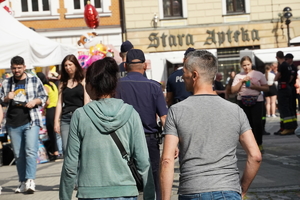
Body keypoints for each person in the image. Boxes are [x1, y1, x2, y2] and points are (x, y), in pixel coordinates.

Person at [160, 50, 262, 200]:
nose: (182, 76)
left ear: (194, 75)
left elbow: (167, 161)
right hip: (228, 189)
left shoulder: (177, 111)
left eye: (185, 73)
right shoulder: (235, 110)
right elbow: (255, 156)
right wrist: (242, 190)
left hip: (192, 190)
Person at [59, 57, 155, 200]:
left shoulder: (80, 115)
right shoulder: (131, 113)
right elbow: (144, 162)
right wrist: (149, 196)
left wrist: (65, 197)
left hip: (90, 193)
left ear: (90, 85)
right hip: (125, 191)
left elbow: (70, 165)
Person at [116, 49, 168, 200]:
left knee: (125, 178)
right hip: (149, 139)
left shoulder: (117, 86)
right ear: (145, 66)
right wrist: (172, 144)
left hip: (123, 140)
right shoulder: (154, 86)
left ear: (125, 66)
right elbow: (164, 117)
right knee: (153, 178)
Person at [0, 56, 48, 194]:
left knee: (30, 151)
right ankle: (22, 181)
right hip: (12, 122)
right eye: (14, 68)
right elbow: (1, 101)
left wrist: (35, 101)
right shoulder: (7, 81)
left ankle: (30, 180)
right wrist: (6, 98)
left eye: (19, 68)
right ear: (11, 67)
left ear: (24, 67)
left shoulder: (33, 79)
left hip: (30, 120)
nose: (16, 70)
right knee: (18, 154)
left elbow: (44, 97)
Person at [231, 56, 269, 153]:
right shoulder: (238, 76)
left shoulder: (258, 74)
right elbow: (233, 90)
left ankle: (259, 143)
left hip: (257, 101)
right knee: (247, 125)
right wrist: (242, 82)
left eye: (248, 65)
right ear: (241, 66)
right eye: (244, 65)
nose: (246, 67)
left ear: (251, 64)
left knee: (257, 123)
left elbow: (266, 88)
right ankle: (250, 146)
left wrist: (255, 86)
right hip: (243, 100)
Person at [54, 54, 90, 154]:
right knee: (66, 148)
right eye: (65, 65)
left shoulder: (83, 80)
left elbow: (86, 101)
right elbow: (59, 102)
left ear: (75, 65)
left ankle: (81, 169)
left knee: (81, 148)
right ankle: (71, 169)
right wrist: (56, 121)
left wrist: (83, 85)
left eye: (70, 64)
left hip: (80, 117)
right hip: (66, 118)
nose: (68, 67)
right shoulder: (63, 82)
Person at [36, 72, 60, 161]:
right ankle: (57, 151)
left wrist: (42, 108)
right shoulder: (52, 84)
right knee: (56, 132)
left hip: (50, 110)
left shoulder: (45, 87)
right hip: (56, 108)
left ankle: (55, 152)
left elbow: (47, 101)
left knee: (51, 132)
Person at [274, 51, 297, 135]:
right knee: (289, 107)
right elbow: (290, 78)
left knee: (284, 108)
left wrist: (276, 78)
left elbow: (276, 77)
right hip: (288, 87)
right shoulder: (289, 66)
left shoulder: (282, 65)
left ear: (277, 57)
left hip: (283, 88)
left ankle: (288, 127)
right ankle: (292, 125)